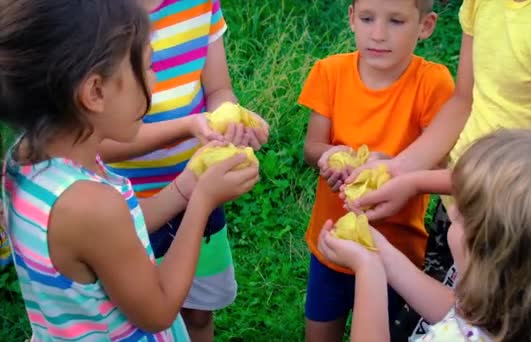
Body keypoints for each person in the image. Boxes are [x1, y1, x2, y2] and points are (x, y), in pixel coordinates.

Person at [344, 0, 531, 337]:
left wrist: (416, 183)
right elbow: (463, 101)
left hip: (519, 224)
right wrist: (402, 170)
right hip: (467, 196)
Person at [0, 0, 258, 340]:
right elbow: (160, 309)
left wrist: (188, 185)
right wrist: (202, 203)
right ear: (95, 92)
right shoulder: (89, 205)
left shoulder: (28, 160)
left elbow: (124, 229)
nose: (154, 83)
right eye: (149, 66)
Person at [322, 129, 531, 342]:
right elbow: (459, 313)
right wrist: (382, 253)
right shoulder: (529, 317)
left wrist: (368, 272)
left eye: (465, 213)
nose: (453, 211)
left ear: (497, 263)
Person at [99, 1, 269, 340]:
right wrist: (189, 126)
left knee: (198, 313)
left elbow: (219, 90)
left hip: (200, 193)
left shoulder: (200, 6)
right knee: (137, 319)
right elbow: (98, 141)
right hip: (125, 203)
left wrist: (230, 121)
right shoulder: (91, 16)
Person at [299, 0, 454, 340]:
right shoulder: (330, 72)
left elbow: (441, 164)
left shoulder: (433, 83)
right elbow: (312, 147)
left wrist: (391, 165)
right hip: (332, 242)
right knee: (320, 330)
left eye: (396, 21)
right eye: (367, 18)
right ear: (352, 18)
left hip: (398, 252)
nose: (378, 34)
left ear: (425, 26)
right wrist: (329, 156)